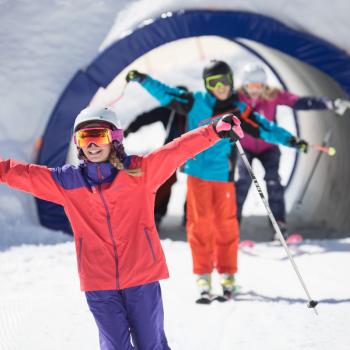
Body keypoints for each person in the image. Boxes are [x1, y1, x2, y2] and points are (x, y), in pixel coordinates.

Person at [0, 105, 244, 349]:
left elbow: (176, 150)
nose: (92, 144)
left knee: (151, 344)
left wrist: (213, 131)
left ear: (114, 139)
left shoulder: (139, 172)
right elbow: (25, 175)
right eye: (85, 137)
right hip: (99, 281)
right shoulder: (67, 182)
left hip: (142, 276)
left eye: (98, 135)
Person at [125, 60, 308, 301]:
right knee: (199, 226)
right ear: (207, 84)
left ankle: (227, 274)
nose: (221, 87)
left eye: (225, 81)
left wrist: (291, 140)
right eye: (214, 82)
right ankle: (203, 274)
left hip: (224, 176)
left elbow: (265, 128)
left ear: (232, 82)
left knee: (226, 225)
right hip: (198, 175)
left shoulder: (238, 109)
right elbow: (166, 92)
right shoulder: (194, 101)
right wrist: (142, 79)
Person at [236, 63, 350, 239]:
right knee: (243, 182)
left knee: (273, 182)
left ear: (264, 85)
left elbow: (299, 102)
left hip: (269, 147)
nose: (255, 90)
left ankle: (279, 224)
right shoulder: (237, 99)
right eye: (251, 86)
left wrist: (328, 103)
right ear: (244, 85)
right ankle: (232, 223)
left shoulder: (272, 95)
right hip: (246, 146)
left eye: (259, 85)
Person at [124, 87, 188, 227]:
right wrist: (130, 128)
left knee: (197, 179)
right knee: (165, 179)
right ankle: (157, 213)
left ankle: (190, 214)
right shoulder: (168, 110)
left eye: (183, 99)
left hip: (194, 149)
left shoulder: (194, 110)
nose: (180, 104)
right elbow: (147, 117)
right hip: (172, 149)